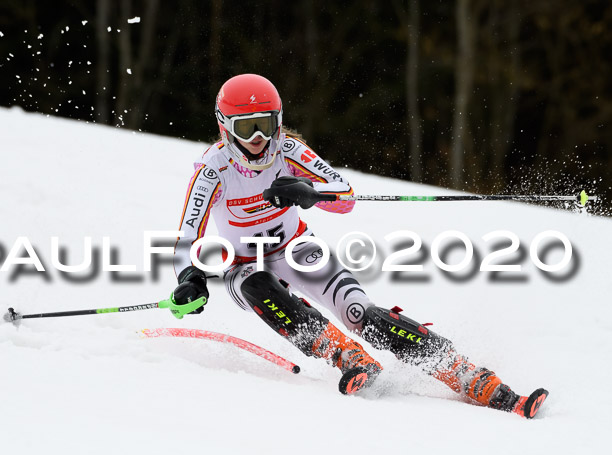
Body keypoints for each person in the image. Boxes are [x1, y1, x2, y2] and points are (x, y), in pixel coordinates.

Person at [171, 73, 548, 417]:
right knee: (257, 284)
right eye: (247, 128)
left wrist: (308, 192)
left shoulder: (288, 150)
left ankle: (467, 374)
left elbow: (346, 196)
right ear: (225, 128)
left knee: (359, 312)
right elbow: (187, 239)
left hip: (295, 247)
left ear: (279, 121)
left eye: (266, 126)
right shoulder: (211, 172)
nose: (258, 140)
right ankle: (346, 356)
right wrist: (191, 277)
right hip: (244, 262)